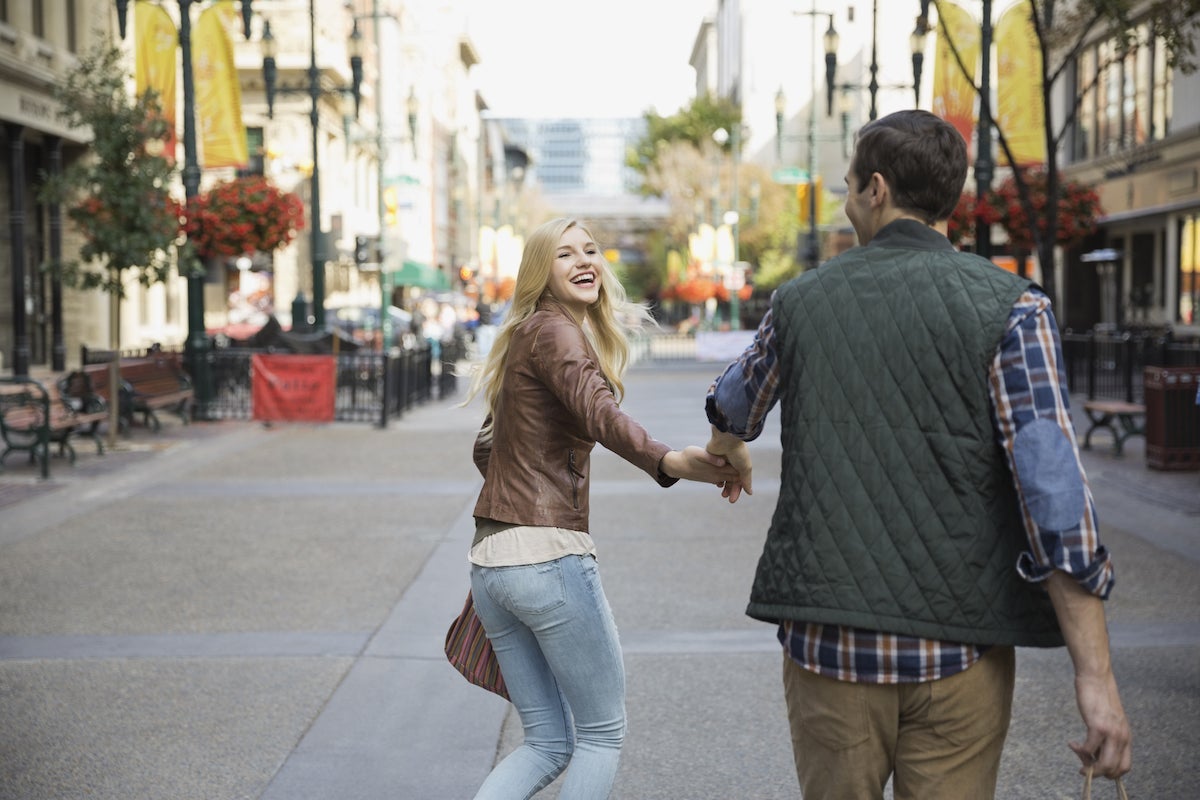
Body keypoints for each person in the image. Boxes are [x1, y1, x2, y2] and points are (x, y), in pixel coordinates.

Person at [704, 110, 1132, 799]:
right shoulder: (1013, 308)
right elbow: (1056, 500)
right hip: (962, 651)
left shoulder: (801, 302)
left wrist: (725, 450)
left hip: (830, 647)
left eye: (847, 186)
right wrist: (1097, 678)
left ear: (875, 189)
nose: (845, 203)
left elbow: (735, 401)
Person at [463, 217, 745, 799]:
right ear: (542, 273)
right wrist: (669, 461)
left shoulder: (525, 334)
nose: (583, 260)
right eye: (564, 254)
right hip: (548, 557)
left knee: (545, 742)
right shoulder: (556, 331)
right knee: (600, 735)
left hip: (493, 562)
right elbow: (601, 415)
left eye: (590, 249)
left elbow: (486, 447)